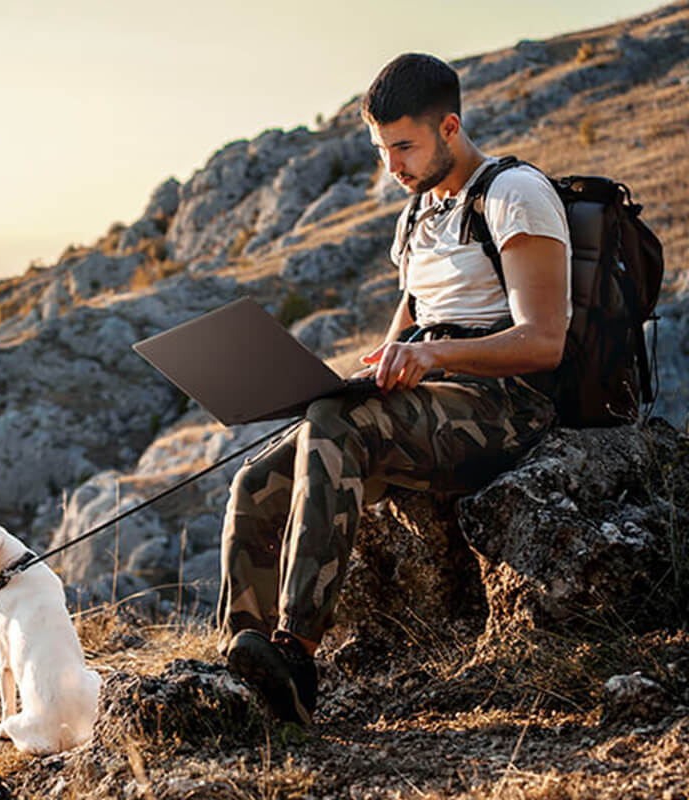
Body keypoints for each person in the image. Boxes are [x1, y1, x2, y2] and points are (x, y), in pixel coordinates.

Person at [217, 53, 571, 724]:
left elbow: (544, 340)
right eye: (382, 150)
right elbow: (404, 329)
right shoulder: (416, 215)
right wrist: (368, 371)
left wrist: (433, 355)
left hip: (508, 405)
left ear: (450, 126)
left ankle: (294, 656)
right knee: (258, 481)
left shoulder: (513, 195)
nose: (392, 166)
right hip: (433, 403)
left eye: (403, 147)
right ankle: (240, 662)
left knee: (335, 425)